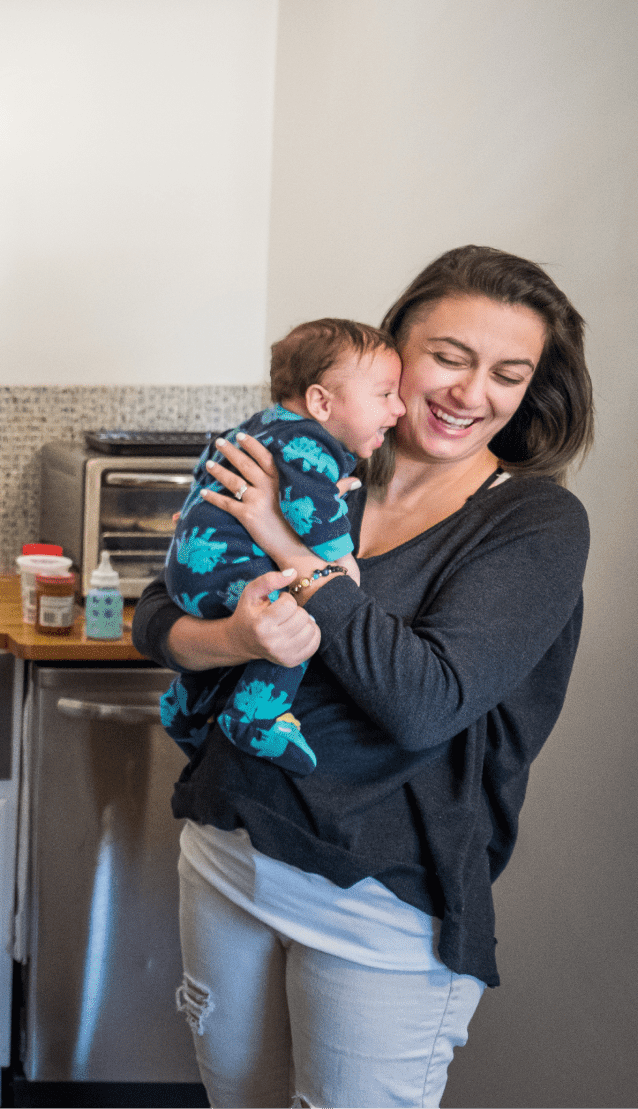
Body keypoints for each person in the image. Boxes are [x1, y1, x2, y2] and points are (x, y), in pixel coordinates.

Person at [133, 245, 593, 1108]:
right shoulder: (321, 461)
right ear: (395, 351)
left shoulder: (534, 524)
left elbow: (424, 701)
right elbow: (157, 617)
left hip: (381, 899)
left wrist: (284, 547)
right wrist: (235, 633)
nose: (469, 392)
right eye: (449, 358)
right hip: (230, 849)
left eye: (506, 373)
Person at [159, 319, 406, 776]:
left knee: (250, 629)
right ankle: (256, 716)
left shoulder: (265, 425)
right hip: (223, 568)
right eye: (386, 395)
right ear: (321, 401)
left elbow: (209, 462)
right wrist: (339, 559)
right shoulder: (309, 442)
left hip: (190, 566)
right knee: (297, 623)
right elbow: (304, 506)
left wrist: (194, 512)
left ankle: (185, 703)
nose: (400, 408)